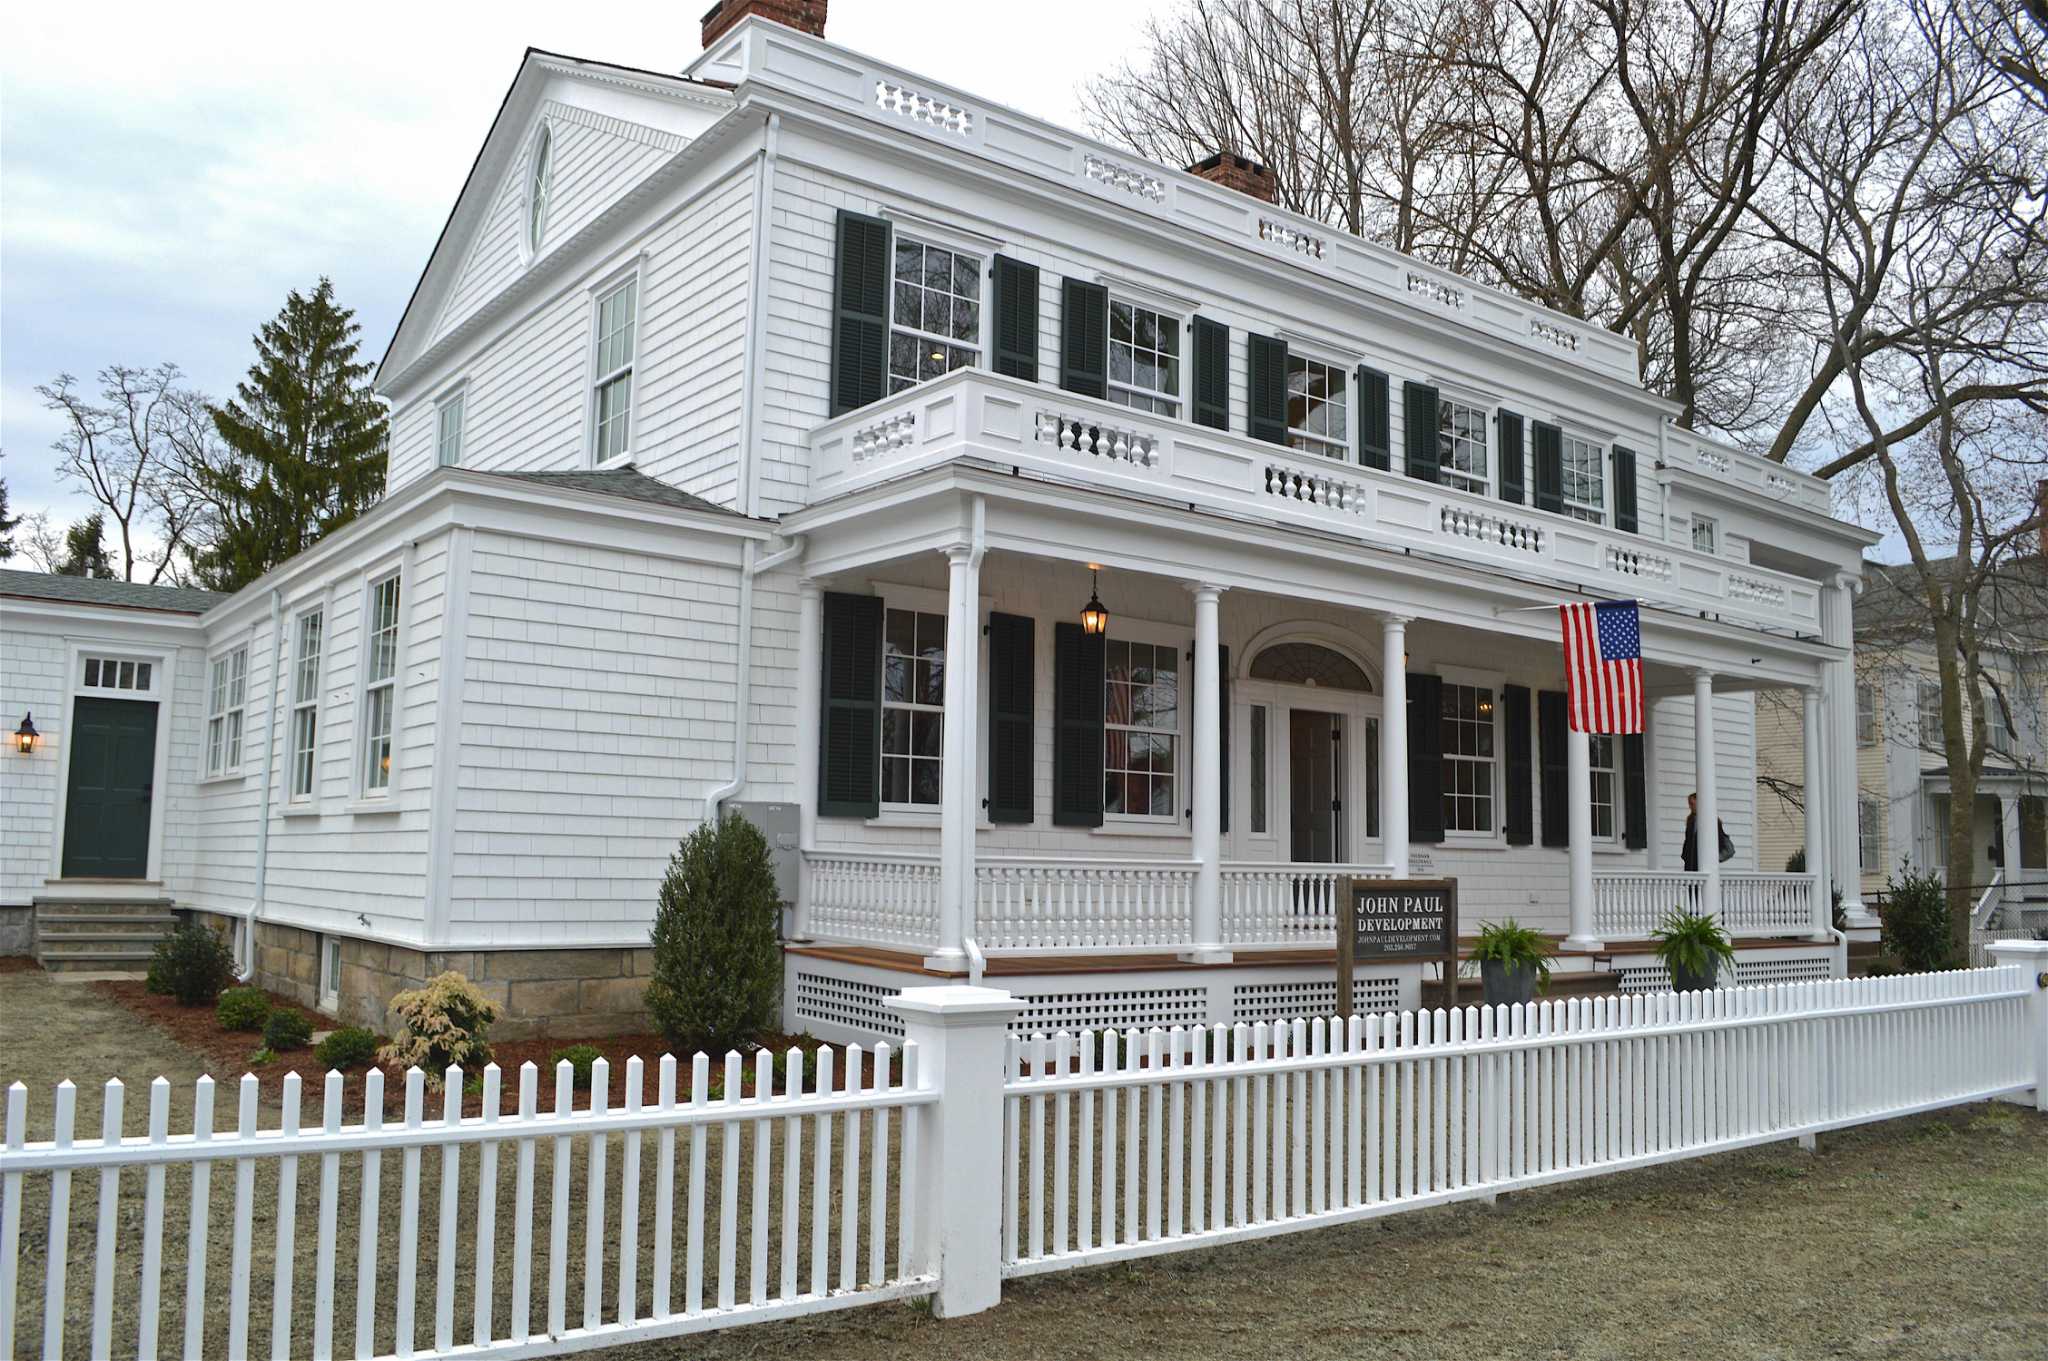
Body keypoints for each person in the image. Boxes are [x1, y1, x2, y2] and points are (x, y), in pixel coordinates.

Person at [1680, 792, 1731, 871]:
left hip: (1705, 869)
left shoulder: (1713, 821)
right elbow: (1687, 842)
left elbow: (1726, 846)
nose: (1689, 807)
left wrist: (1714, 859)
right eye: (1689, 804)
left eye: (1691, 804)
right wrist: (1685, 856)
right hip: (1690, 868)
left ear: (1699, 803)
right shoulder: (1690, 821)